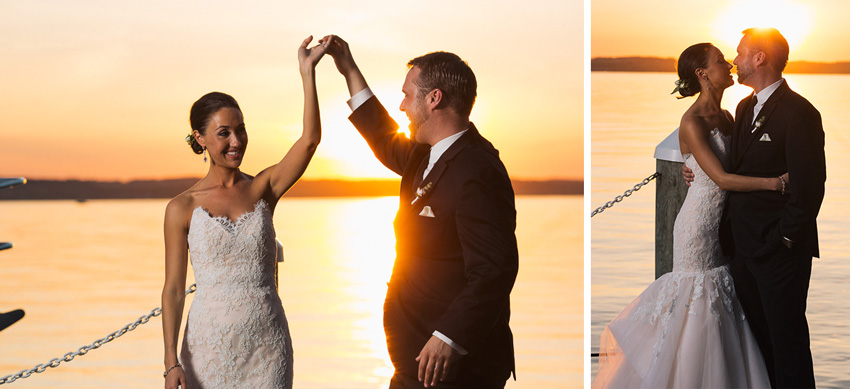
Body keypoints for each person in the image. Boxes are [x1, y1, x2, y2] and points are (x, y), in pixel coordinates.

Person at [321, 35, 518, 388]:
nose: (402, 107)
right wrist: (348, 68)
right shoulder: (422, 156)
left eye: (407, 96)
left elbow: (495, 271)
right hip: (414, 363)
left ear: (434, 98)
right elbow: (381, 135)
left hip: (457, 369)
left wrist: (449, 338)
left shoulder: (478, 169)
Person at [594, 42, 788, 388]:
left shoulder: (730, 116)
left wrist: (693, 168)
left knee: (719, 301)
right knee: (697, 301)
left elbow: (730, 165)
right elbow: (723, 178)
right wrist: (775, 184)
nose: (728, 64)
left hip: (724, 228)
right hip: (697, 226)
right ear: (702, 74)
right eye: (718, 61)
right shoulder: (691, 122)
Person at [160, 36, 327, 389]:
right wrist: (170, 362)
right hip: (208, 348)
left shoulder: (263, 188)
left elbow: (310, 140)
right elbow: (174, 289)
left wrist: (307, 72)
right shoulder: (181, 208)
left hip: (268, 347)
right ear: (200, 138)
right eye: (224, 133)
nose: (236, 141)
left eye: (240, 130)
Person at [720, 27, 825, 388]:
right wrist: (695, 166)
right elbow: (735, 166)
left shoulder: (800, 113)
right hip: (742, 248)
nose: (735, 60)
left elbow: (809, 188)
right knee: (759, 345)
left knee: (788, 346)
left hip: (780, 252)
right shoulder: (743, 107)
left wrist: (786, 241)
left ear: (759, 57)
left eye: (740, 53)